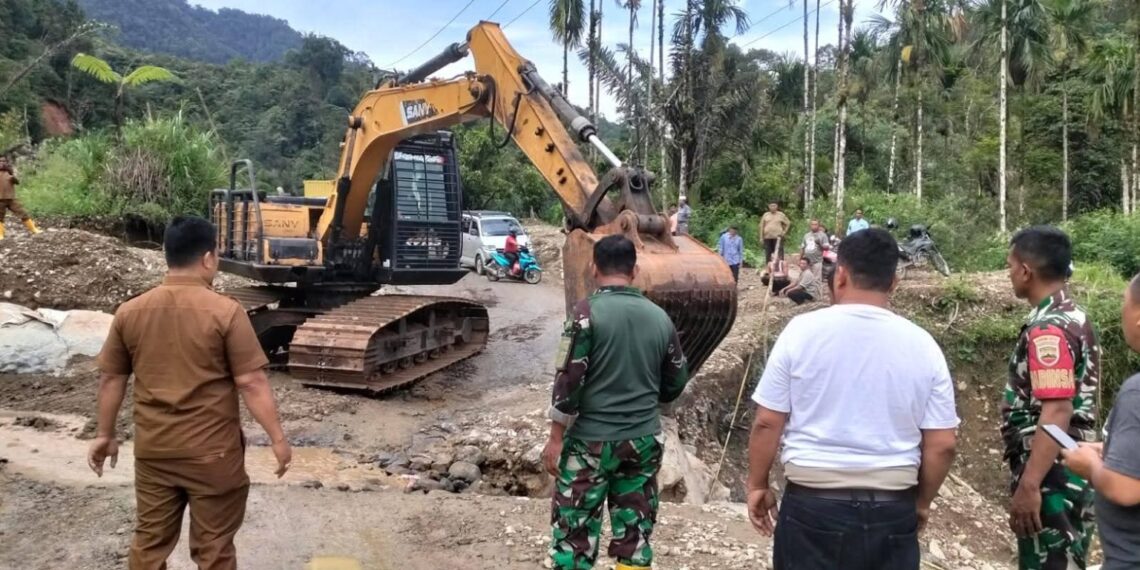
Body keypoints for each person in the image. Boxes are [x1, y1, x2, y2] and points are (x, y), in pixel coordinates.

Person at [747, 228, 959, 570]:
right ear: (894, 283)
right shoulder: (923, 345)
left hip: (812, 509)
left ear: (840, 276)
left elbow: (767, 421)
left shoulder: (800, 333)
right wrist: (921, 503)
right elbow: (943, 444)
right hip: (892, 511)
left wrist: (757, 485)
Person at [88, 215, 292, 570]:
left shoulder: (129, 312)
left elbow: (111, 379)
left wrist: (104, 435)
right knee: (214, 548)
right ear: (209, 258)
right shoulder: (226, 312)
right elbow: (251, 382)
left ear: (168, 254)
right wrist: (277, 439)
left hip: (154, 454)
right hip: (213, 456)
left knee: (149, 545)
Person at [543, 234, 689, 570]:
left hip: (590, 444)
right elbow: (676, 382)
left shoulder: (585, 314)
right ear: (635, 271)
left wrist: (555, 438)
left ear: (594, 268)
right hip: (642, 440)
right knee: (634, 533)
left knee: (573, 533)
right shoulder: (660, 318)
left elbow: (568, 381)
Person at [1002, 226, 1100, 570]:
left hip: (1053, 477)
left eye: (1010, 265)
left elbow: (1057, 409)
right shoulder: (1073, 316)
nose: (1010, 273)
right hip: (1065, 469)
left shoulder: (1049, 329)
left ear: (1026, 271)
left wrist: (1030, 484)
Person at [1062, 273, 1140, 570]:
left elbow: (1125, 488)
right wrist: (1112, 450)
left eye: (1125, 301)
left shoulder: (1137, 392)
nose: (1122, 308)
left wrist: (1090, 465)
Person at [0, 155, 42, 240]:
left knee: (22, 212)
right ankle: (1, 234)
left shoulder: (9, 172)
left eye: (4, 161)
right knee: (0, 217)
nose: (2, 163)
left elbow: (17, 181)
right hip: (0, 199)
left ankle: (33, 229)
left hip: (11, 198)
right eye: (0, 161)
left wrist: (13, 176)